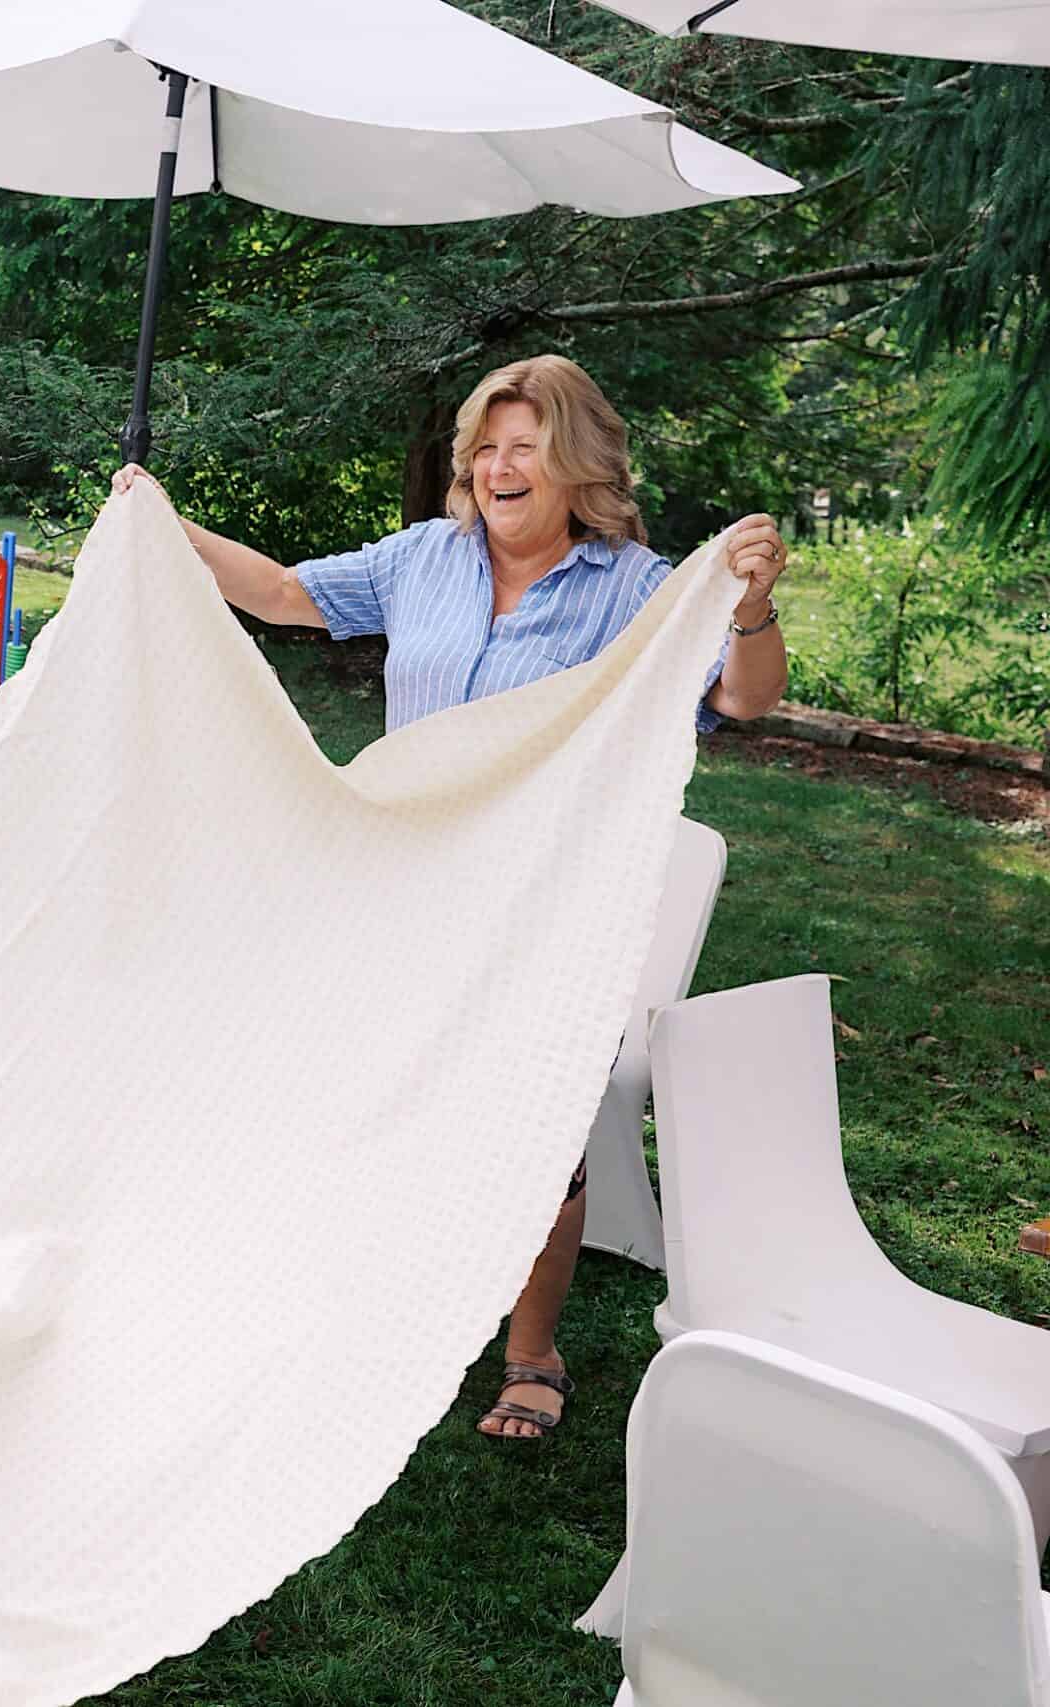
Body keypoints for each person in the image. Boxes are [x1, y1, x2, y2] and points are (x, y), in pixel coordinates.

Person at [115, 353, 789, 1442]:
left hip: (542, 906)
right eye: (484, 444)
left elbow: (741, 700)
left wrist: (748, 607)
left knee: (537, 1131)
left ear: (578, 465)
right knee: (366, 1097)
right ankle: (353, 1311)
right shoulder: (421, 558)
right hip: (399, 887)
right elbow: (287, 595)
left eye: (523, 445)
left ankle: (530, 1353)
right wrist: (163, 524)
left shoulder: (638, 589)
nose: (495, 465)